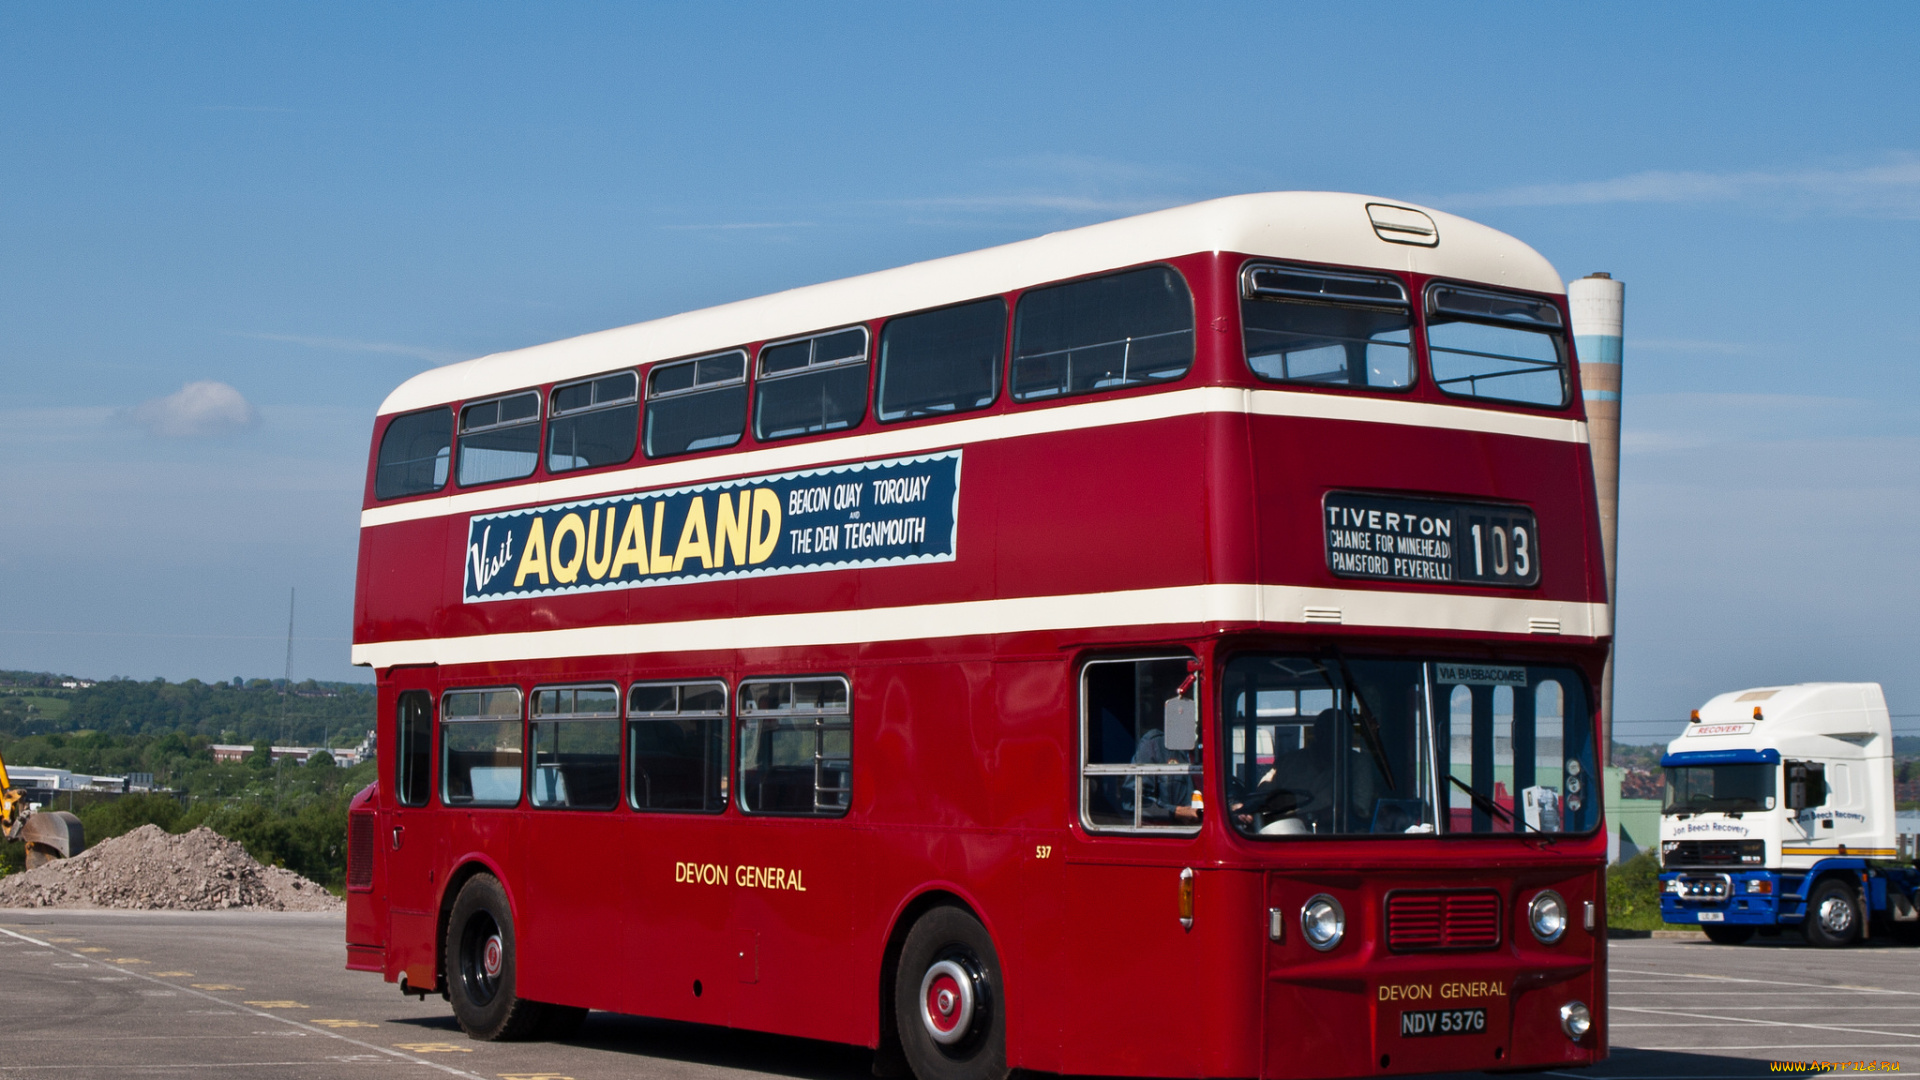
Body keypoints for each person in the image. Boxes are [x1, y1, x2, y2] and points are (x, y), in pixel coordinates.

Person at [1120, 727, 1200, 824]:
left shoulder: (1216, 747)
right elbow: (1132, 801)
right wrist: (1175, 812)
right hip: (1172, 833)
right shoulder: (1154, 744)